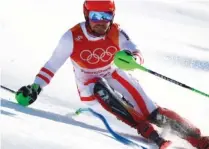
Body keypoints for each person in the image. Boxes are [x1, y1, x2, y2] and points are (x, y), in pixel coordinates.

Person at [15, 0, 209, 149]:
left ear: (112, 16)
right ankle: (148, 132)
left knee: (153, 112)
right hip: (88, 84)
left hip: (113, 73)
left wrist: (134, 60)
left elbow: (136, 52)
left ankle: (196, 139)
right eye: (96, 16)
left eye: (106, 16)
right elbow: (52, 65)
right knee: (101, 89)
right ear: (87, 14)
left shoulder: (116, 32)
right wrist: (35, 88)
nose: (101, 22)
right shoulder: (72, 37)